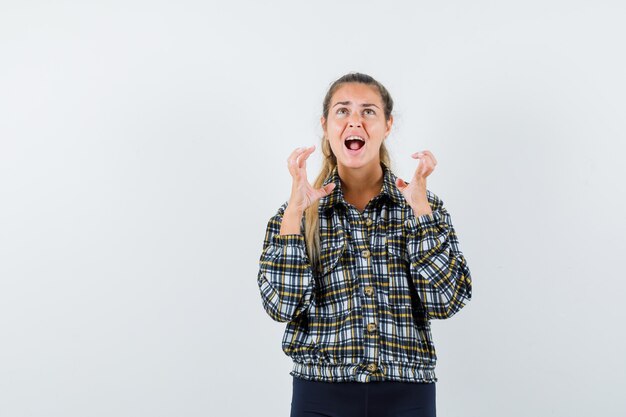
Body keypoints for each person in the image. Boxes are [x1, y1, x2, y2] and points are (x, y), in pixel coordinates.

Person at [256, 72, 473, 417]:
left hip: (408, 392)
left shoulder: (421, 207)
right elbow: (282, 306)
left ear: (387, 125)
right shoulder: (296, 214)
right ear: (326, 124)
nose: (355, 120)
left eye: (368, 111)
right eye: (343, 111)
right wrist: (295, 217)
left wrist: (421, 214)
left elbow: (445, 301)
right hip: (320, 393)